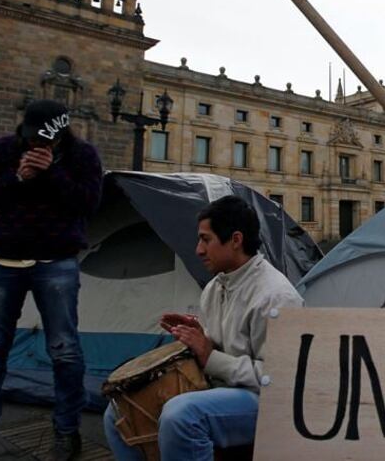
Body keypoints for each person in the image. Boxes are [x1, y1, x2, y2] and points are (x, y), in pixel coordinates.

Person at [0, 100, 103, 461]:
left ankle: (67, 433)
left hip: (56, 262)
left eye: (45, 140)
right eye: (33, 138)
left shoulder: (82, 155)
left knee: (64, 349)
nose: (38, 145)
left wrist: (51, 173)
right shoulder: (5, 149)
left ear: (60, 134)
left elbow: (89, 203)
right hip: (2, 261)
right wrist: (16, 178)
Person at [104, 195, 303, 460]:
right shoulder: (215, 287)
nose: (198, 250)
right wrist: (198, 334)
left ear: (235, 240)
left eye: (205, 239)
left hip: (268, 403)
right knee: (118, 409)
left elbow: (281, 381)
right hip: (219, 390)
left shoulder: (276, 296)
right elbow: (222, 343)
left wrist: (210, 356)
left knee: (181, 415)